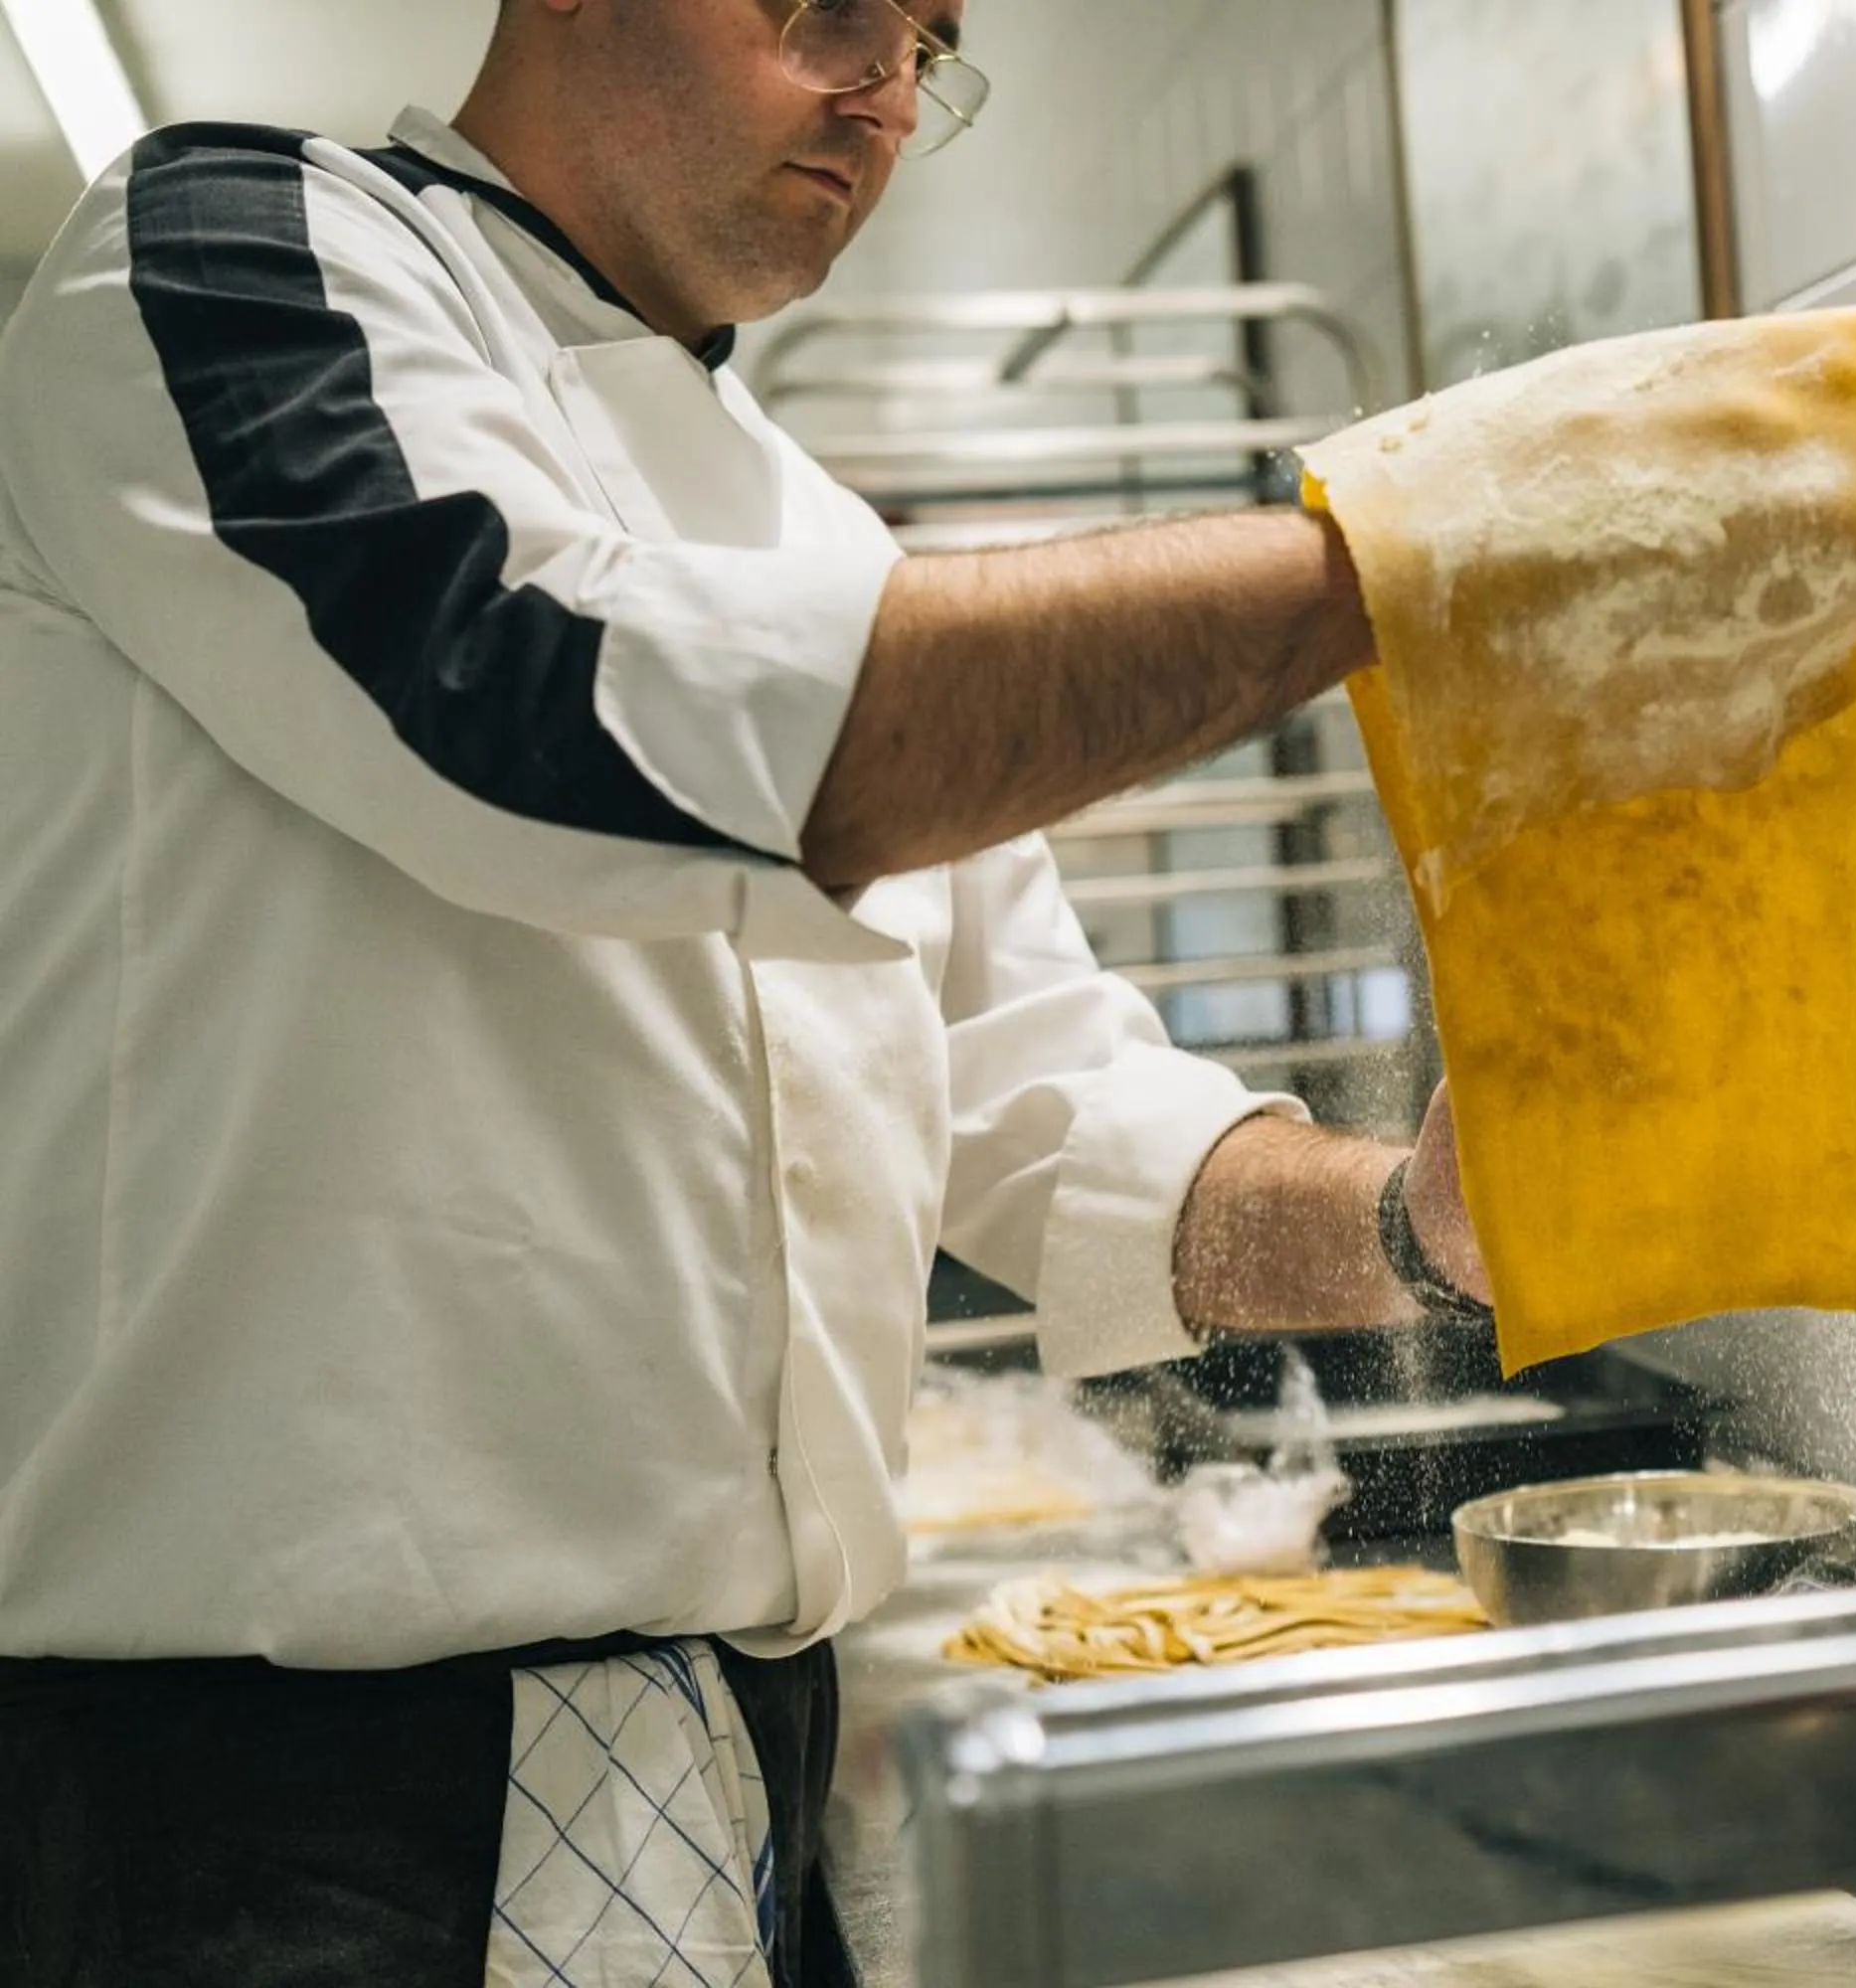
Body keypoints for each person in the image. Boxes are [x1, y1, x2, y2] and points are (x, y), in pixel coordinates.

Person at [0, 0, 1503, 1980]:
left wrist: (1421, 1220)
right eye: (826, 11)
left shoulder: (810, 532)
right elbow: (531, 697)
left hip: (736, 1770)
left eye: (928, 43)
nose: (884, 84)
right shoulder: (221, 253)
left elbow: (1052, 1114)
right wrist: (1421, 566)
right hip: (267, 1817)